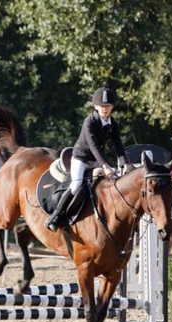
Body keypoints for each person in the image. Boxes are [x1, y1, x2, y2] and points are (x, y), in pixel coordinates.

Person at [46, 87, 131, 232]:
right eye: (102, 106)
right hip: (81, 158)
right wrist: (105, 165)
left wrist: (125, 164)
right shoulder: (89, 121)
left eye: (108, 106)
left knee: (116, 180)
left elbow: (118, 145)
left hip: (96, 160)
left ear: (112, 107)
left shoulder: (112, 123)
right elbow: (93, 146)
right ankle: (55, 216)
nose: (105, 109)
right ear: (96, 106)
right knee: (76, 185)